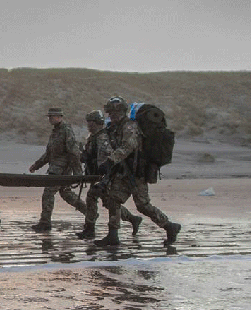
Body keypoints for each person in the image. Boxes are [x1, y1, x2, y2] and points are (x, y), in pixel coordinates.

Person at [95, 96, 181, 247]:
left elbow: (129, 145)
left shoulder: (130, 127)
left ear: (120, 112)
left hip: (136, 175)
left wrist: (111, 160)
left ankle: (169, 226)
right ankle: (113, 235)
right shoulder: (116, 128)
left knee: (143, 205)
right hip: (124, 174)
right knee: (113, 200)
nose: (110, 116)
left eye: (112, 113)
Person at [76, 109, 141, 240]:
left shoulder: (103, 138)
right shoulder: (93, 137)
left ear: (97, 123)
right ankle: (132, 219)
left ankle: (92, 229)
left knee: (100, 199)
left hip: (107, 176)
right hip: (100, 176)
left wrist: (104, 178)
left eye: (91, 123)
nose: (89, 125)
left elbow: (106, 159)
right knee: (104, 201)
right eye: (88, 123)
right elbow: (91, 156)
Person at [28, 107, 88, 231]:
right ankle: (90, 213)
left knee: (48, 193)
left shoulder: (66, 130)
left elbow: (74, 152)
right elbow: (49, 153)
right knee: (66, 194)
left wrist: (78, 172)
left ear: (60, 117)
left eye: (52, 116)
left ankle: (45, 222)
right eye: (49, 116)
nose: (50, 119)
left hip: (62, 170)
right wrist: (36, 165)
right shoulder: (55, 132)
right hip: (55, 168)